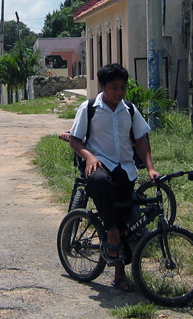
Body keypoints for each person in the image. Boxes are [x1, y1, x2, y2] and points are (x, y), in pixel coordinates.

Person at [67, 63, 159, 292]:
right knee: (100, 183)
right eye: (114, 87)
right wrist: (89, 157)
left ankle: (119, 275)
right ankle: (111, 233)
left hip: (125, 170)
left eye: (123, 88)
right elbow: (75, 140)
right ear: (102, 86)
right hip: (98, 167)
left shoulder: (129, 109)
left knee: (125, 218)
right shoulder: (89, 108)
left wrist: (150, 169)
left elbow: (141, 140)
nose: (119, 92)